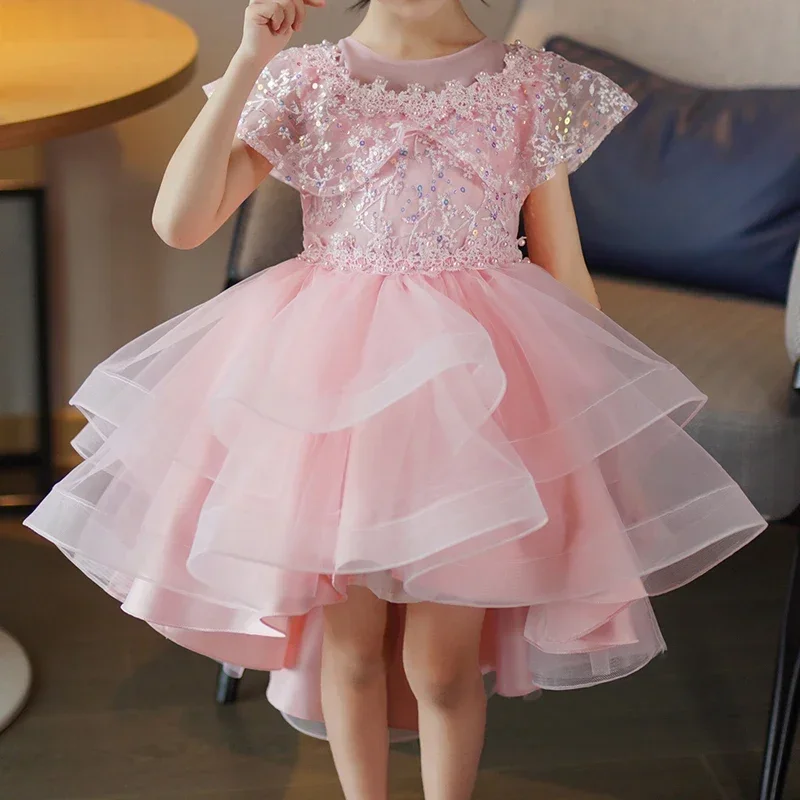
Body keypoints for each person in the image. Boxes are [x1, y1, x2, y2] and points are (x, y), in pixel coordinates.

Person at [25, 0, 768, 798]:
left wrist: (594, 420)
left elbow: (563, 267)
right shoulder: (305, 79)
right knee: (350, 650)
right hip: (334, 398)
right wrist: (247, 62)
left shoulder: (529, 84)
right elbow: (181, 222)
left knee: (442, 665)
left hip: (474, 405)